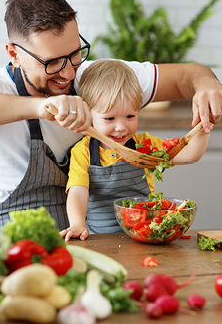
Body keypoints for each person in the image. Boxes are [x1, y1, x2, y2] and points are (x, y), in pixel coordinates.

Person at [0, 0, 222, 230]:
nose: (69, 73)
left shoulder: (102, 80)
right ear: (14, 55)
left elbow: (185, 75)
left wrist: (207, 85)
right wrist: (42, 107)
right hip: (11, 228)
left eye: (74, 55)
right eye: (52, 63)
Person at [59, 60, 210, 240]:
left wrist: (205, 125)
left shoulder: (145, 145)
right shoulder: (83, 151)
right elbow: (78, 191)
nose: (121, 127)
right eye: (110, 118)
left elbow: (190, 154)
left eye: (130, 116)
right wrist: (77, 224)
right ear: (88, 114)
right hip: (100, 239)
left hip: (145, 234)